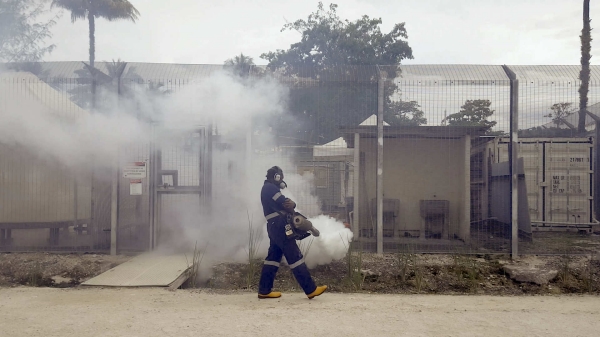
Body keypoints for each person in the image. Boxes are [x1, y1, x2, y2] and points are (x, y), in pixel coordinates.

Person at [257, 166, 327, 299]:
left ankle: (264, 290)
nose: (282, 180)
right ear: (276, 176)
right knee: (295, 256)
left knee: (273, 258)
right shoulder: (271, 188)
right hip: (279, 225)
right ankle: (310, 289)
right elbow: (286, 203)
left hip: (273, 226)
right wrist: (293, 204)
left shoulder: (267, 188)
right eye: (281, 177)